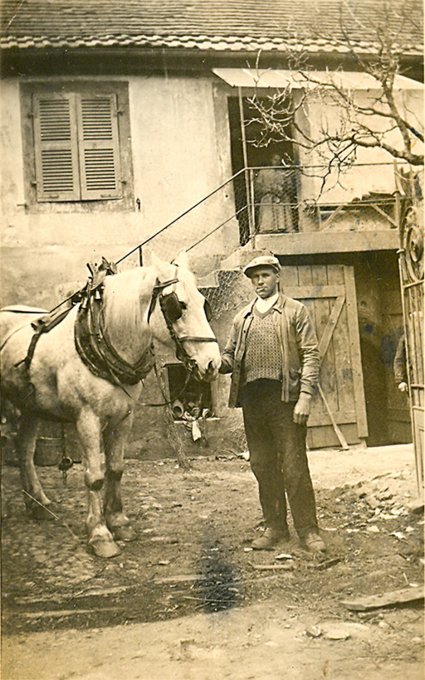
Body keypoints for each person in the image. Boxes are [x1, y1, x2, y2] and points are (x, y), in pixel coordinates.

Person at [220, 254, 326, 553]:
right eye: (254, 278)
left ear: (277, 276)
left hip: (286, 399)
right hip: (253, 402)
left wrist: (305, 396)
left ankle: (308, 531)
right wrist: (218, 362)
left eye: (264, 276)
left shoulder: (295, 312)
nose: (259, 282)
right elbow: (230, 356)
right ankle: (275, 527)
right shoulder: (242, 318)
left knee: (293, 466)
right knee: (262, 465)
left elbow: (311, 356)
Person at [254, 153, 296, 233]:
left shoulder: (284, 173)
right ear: (271, 160)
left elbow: (290, 186)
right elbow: (258, 186)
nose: (277, 162)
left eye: (279, 160)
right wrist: (269, 190)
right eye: (275, 160)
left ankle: (284, 227)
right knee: (267, 205)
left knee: (284, 203)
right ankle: (268, 228)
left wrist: (282, 190)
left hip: (282, 196)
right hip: (268, 195)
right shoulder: (263, 172)